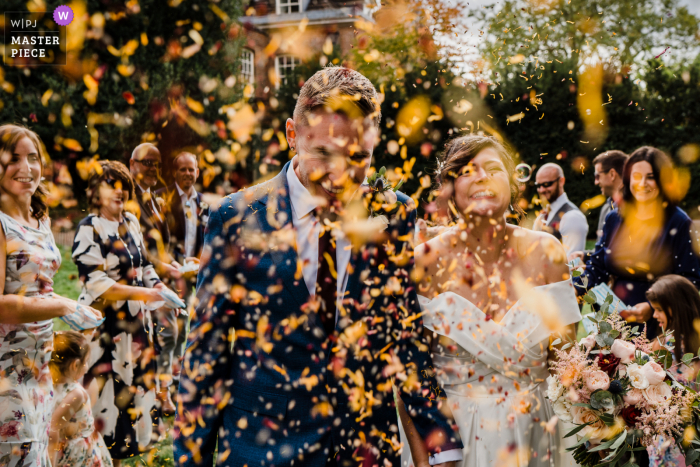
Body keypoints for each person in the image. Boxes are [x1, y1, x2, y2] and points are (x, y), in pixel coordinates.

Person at [174, 67, 463, 467]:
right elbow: (206, 355)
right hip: (263, 450)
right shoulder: (235, 217)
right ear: (293, 135)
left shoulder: (396, 212)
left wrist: (441, 443)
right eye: (323, 153)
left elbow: (404, 334)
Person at [407, 135, 581, 467]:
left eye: (493, 168)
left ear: (512, 183)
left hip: (539, 435)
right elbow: (410, 377)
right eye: (468, 170)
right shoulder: (422, 263)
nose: (483, 176)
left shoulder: (547, 252)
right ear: (448, 188)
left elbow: (567, 364)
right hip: (459, 442)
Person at [0, 124, 102, 467]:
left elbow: (38, 287)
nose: (26, 168)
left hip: (41, 368)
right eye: (13, 158)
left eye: (33, 158)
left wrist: (72, 314)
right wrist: (61, 305)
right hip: (8, 372)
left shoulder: (39, 217)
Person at [72, 160, 179, 465]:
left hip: (136, 329)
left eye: (123, 186)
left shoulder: (131, 221)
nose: (119, 192)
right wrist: (149, 293)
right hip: (106, 331)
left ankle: (117, 461)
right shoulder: (88, 228)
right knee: (106, 403)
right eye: (110, 185)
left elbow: (143, 265)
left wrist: (160, 287)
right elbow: (98, 285)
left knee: (130, 399)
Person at [574, 146, 700, 339]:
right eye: (636, 176)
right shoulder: (614, 218)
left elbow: (691, 282)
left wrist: (653, 307)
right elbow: (597, 267)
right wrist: (574, 287)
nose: (642, 183)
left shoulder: (679, 223)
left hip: (660, 327)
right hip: (613, 324)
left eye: (650, 176)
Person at [129, 143, 179, 412]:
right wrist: (164, 268)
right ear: (132, 163)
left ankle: (162, 390)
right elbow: (137, 247)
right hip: (139, 283)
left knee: (168, 335)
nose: (152, 168)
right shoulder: (128, 198)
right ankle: (158, 393)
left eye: (156, 164)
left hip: (161, 279)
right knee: (160, 337)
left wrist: (174, 264)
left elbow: (159, 243)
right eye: (147, 162)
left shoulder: (152, 197)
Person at [156, 151, 210, 380]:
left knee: (183, 322)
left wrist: (201, 259)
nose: (188, 173)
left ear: (197, 172)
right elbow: (156, 239)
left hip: (191, 275)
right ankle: (160, 375)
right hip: (165, 272)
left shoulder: (204, 203)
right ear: (174, 172)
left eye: (191, 169)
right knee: (166, 327)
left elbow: (207, 237)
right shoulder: (161, 199)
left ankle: (175, 373)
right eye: (183, 169)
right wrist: (178, 260)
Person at [48, 331, 112, 467]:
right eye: (86, 362)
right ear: (75, 365)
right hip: (77, 454)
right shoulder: (76, 394)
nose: (87, 367)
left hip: (64, 446)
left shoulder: (48, 383)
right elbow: (53, 429)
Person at [532, 162, 589, 259]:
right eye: (538, 185)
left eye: (546, 184)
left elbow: (572, 263)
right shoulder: (542, 215)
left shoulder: (572, 217)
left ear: (561, 181)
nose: (541, 190)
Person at [647, 275, 700, 374]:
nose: (654, 315)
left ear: (679, 310)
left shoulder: (663, 345)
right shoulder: (662, 343)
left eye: (659, 310)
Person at [592, 150, 628, 240]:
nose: (596, 182)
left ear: (612, 174)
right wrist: (584, 254)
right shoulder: (606, 209)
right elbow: (602, 250)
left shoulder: (635, 207)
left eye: (597, 176)